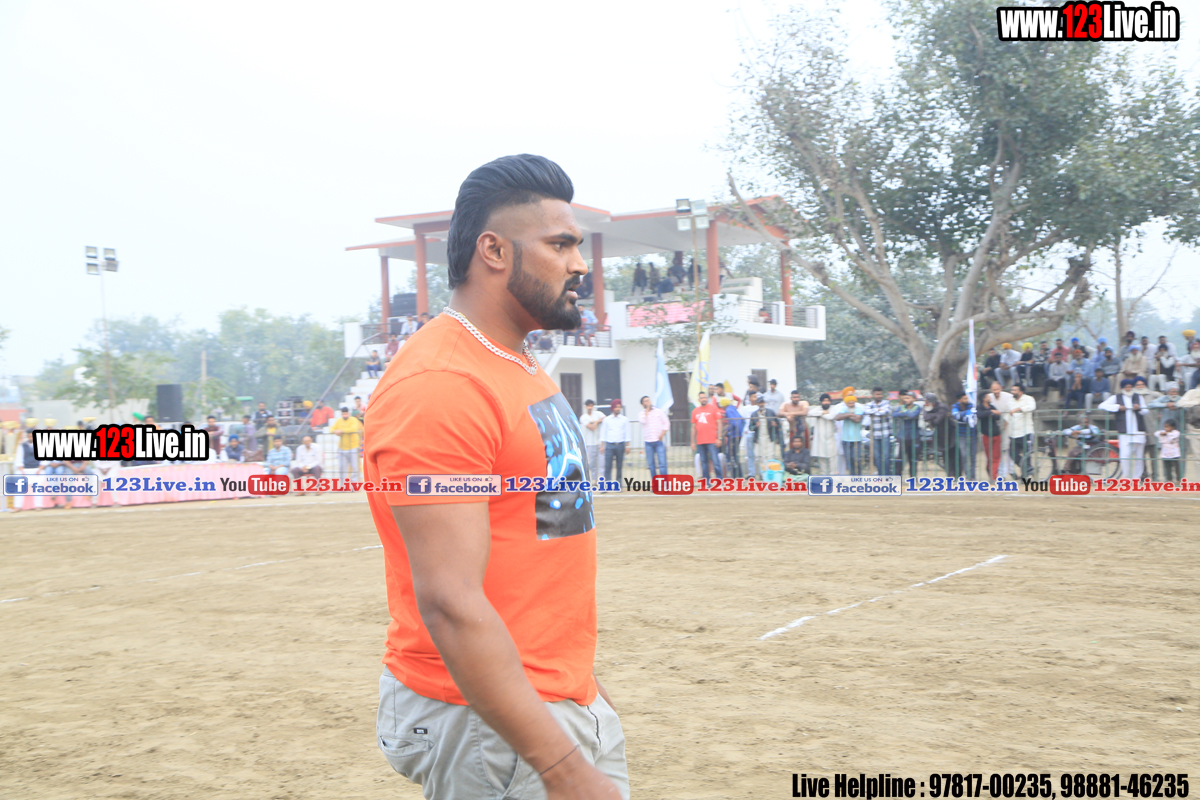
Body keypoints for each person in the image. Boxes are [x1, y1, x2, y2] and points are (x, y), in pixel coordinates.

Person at [361, 155, 627, 800]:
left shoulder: (514, 362)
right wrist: (561, 767)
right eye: (560, 244)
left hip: (551, 702)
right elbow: (450, 601)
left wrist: (584, 695)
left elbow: (537, 543)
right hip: (488, 723)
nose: (580, 265)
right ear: (495, 251)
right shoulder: (443, 386)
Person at [1099, 379, 1150, 480]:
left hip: (1138, 432)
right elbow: (1102, 406)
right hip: (1125, 432)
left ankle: (1136, 478)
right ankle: (1127, 478)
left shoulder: (1138, 397)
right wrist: (1118, 407)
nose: (1128, 389)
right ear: (1122, 388)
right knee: (1125, 456)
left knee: (1139, 458)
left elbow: (1146, 411)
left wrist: (1139, 408)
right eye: (1126, 387)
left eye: (1130, 387)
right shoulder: (1116, 397)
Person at [830, 388, 865, 476]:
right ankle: (852, 476)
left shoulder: (859, 408)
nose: (851, 404)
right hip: (845, 438)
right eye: (849, 402)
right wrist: (850, 414)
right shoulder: (842, 408)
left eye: (852, 402)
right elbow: (837, 417)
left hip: (856, 438)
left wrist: (846, 415)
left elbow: (857, 419)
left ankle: (858, 476)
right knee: (849, 459)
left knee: (856, 459)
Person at [1006, 383, 1037, 479]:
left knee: (1027, 455)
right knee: (1013, 454)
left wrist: (1019, 409)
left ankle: (1025, 475)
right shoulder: (1010, 401)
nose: (1012, 392)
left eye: (1015, 390)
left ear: (1021, 392)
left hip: (1026, 431)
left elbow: (1032, 407)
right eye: (1012, 390)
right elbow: (1008, 414)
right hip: (1014, 433)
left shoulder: (1028, 399)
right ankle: (1027, 468)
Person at [691, 391, 723, 480]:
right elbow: (693, 428)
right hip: (700, 441)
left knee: (715, 462)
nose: (703, 399)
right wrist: (692, 442)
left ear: (707, 399)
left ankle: (719, 480)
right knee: (704, 463)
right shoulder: (695, 411)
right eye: (701, 398)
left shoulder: (713, 408)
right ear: (699, 400)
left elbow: (719, 423)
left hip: (712, 440)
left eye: (705, 397)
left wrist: (719, 438)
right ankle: (706, 481)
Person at [977, 386, 1005, 481]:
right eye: (988, 396)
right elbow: (980, 415)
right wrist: (990, 412)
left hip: (996, 434)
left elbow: (998, 416)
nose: (990, 398)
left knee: (996, 456)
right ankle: (990, 471)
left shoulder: (992, 406)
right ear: (984, 399)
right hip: (986, 435)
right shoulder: (980, 407)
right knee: (989, 457)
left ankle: (994, 476)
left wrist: (991, 413)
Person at [892, 391, 922, 478]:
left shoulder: (917, 407)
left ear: (913, 399)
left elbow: (912, 415)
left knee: (913, 459)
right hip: (901, 436)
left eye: (908, 398)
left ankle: (913, 478)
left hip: (914, 436)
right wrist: (906, 413)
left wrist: (903, 413)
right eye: (905, 398)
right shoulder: (901, 407)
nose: (906, 400)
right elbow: (894, 414)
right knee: (899, 459)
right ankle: (898, 477)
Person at [638, 396, 670, 478]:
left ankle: (665, 483)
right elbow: (643, 421)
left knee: (662, 464)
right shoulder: (641, 414)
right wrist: (647, 411)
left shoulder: (658, 411)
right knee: (651, 466)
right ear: (642, 404)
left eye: (648, 400)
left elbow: (666, 423)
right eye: (645, 401)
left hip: (658, 441)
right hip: (648, 442)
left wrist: (662, 434)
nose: (648, 402)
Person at [863, 387, 892, 475]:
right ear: (873, 395)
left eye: (880, 394)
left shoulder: (886, 403)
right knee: (877, 456)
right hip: (874, 434)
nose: (879, 396)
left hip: (885, 433)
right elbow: (867, 411)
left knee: (886, 456)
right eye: (877, 394)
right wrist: (879, 410)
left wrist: (874, 412)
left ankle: (887, 474)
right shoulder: (869, 404)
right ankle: (880, 474)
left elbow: (886, 412)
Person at [808, 394, 839, 475]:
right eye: (824, 401)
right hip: (820, 439)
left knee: (832, 458)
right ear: (821, 402)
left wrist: (820, 414)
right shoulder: (819, 409)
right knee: (822, 459)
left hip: (830, 438)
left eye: (828, 401)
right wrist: (822, 412)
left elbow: (831, 416)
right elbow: (810, 413)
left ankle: (833, 477)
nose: (826, 402)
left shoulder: (832, 409)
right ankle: (824, 477)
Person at [599, 399, 629, 483]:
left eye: (619, 407)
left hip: (620, 445)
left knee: (619, 466)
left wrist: (628, 446)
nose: (618, 409)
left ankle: (618, 484)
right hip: (609, 445)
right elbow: (603, 433)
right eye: (616, 407)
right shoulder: (607, 419)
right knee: (608, 466)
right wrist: (602, 446)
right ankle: (607, 484)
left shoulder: (624, 419)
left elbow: (627, 433)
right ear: (612, 408)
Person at [330, 406, 363, 481]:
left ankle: (354, 484)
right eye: (343, 414)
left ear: (348, 413)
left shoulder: (353, 420)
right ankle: (343, 484)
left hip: (353, 447)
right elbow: (331, 429)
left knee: (355, 467)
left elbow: (353, 429)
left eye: (346, 414)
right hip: (342, 448)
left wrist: (341, 431)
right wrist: (335, 431)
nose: (344, 415)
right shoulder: (339, 420)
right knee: (342, 468)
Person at [922, 392, 952, 476]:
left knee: (950, 455)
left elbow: (937, 421)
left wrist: (932, 416)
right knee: (944, 454)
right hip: (939, 433)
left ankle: (953, 474)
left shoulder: (942, 407)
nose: (925, 404)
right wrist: (935, 415)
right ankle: (949, 474)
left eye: (927, 402)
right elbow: (925, 417)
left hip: (949, 433)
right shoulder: (928, 407)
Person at [949, 391, 977, 479]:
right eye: (965, 398)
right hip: (961, 434)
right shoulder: (955, 406)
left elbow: (970, 416)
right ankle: (968, 475)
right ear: (959, 400)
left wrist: (963, 415)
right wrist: (966, 414)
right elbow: (956, 416)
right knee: (964, 455)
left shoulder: (971, 405)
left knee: (972, 456)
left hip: (972, 433)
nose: (967, 400)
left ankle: (973, 476)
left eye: (967, 398)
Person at [579, 400, 604, 482]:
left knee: (602, 463)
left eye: (591, 406)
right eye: (588, 406)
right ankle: (594, 480)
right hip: (590, 443)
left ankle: (602, 480)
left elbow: (605, 418)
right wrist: (597, 422)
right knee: (593, 463)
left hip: (599, 442)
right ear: (586, 407)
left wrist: (596, 422)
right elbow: (591, 427)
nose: (590, 407)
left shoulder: (598, 413)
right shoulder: (584, 417)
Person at [720, 396, 745, 478]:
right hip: (739, 434)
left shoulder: (728, 410)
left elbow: (733, 423)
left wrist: (727, 431)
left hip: (734, 435)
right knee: (735, 455)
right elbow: (742, 419)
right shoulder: (733, 408)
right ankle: (739, 475)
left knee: (732, 456)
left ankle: (736, 475)